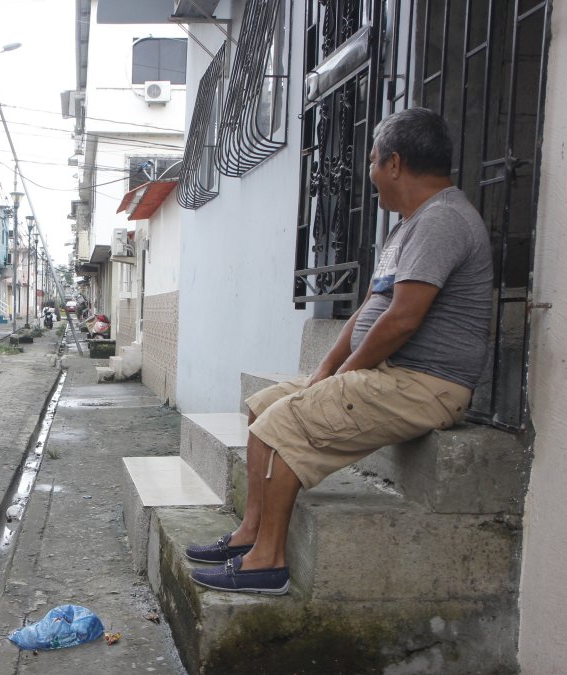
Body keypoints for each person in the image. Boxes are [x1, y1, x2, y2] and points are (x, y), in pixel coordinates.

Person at [185, 108, 493, 595]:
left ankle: (268, 563)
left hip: (427, 384)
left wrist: (348, 373)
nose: (370, 175)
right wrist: (326, 369)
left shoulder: (443, 221)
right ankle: (249, 537)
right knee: (263, 407)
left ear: (393, 163)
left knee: (286, 422)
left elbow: (404, 317)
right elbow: (373, 305)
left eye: (372, 161)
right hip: (392, 373)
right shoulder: (408, 226)